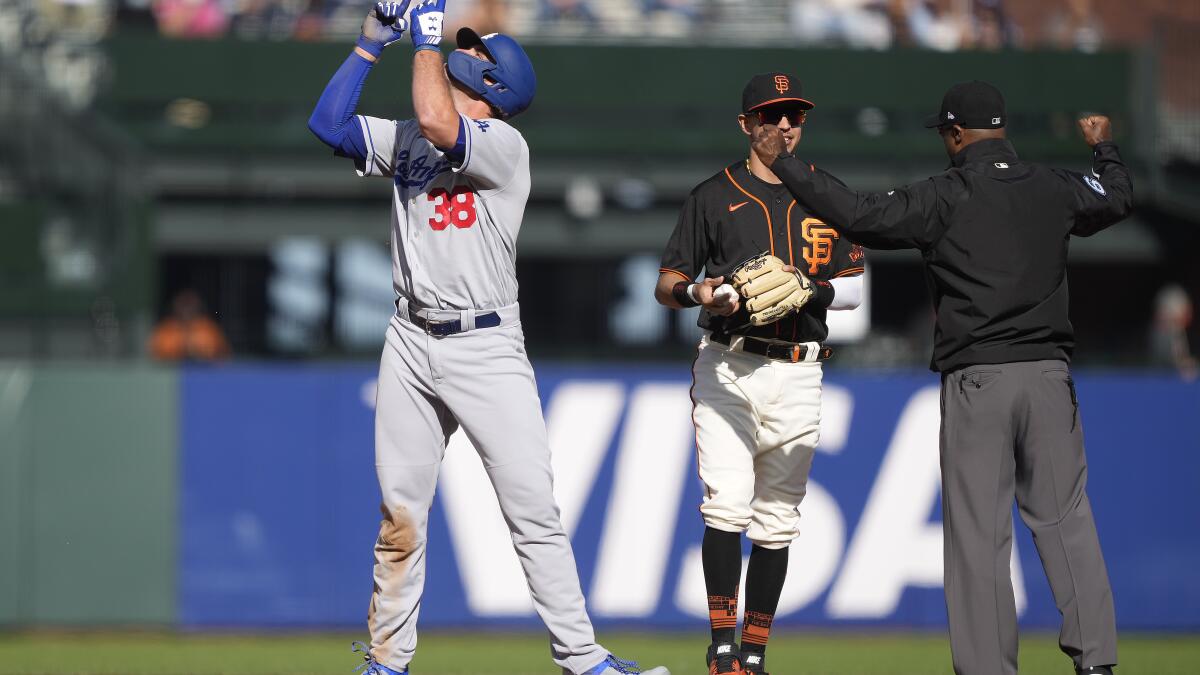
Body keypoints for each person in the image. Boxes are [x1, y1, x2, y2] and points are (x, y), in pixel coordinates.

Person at [307, 2, 668, 674]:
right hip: (411, 337)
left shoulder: (503, 145)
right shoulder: (414, 134)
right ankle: (388, 661)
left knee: (532, 510)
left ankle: (583, 658)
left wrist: (423, 37)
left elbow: (445, 121)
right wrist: (368, 43)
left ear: (494, 84)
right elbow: (326, 124)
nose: (461, 53)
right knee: (400, 513)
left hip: (485, 344)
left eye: (472, 53)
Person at [750, 80, 1130, 675]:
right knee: (1066, 521)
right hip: (1049, 378)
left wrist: (787, 164)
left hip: (980, 380)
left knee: (979, 537)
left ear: (955, 134)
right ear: (1001, 130)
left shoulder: (945, 195)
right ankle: (1097, 664)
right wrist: (1103, 147)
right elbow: (1115, 196)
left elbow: (858, 215)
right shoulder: (1054, 188)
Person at [654, 72, 866, 675]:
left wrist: (810, 286)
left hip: (801, 369)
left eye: (794, 115)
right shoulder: (712, 195)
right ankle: (722, 648)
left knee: (778, 518)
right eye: (772, 116)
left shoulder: (828, 194)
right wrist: (702, 293)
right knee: (727, 504)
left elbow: (856, 292)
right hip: (730, 361)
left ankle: (754, 653)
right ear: (746, 124)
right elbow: (666, 283)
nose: (784, 126)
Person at [148, 289, 231, 361]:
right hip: (171, 372)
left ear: (197, 307)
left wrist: (198, 351)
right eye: (183, 305)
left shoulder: (207, 327)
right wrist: (180, 348)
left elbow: (223, 354)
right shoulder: (166, 328)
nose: (187, 310)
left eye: (190, 305)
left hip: (205, 372)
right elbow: (154, 355)